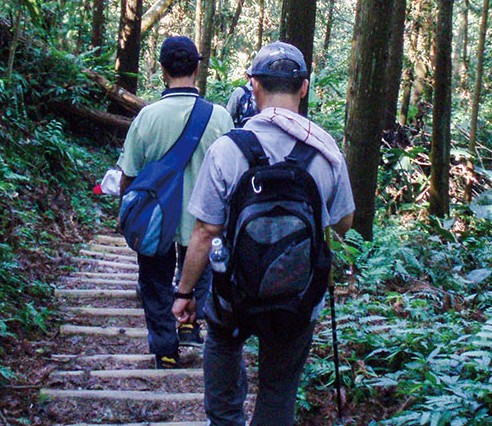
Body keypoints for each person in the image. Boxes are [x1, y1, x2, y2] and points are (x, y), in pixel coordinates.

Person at [171, 41, 355, 425]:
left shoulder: (227, 150)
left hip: (232, 293)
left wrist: (185, 293)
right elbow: (343, 223)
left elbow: (204, 232)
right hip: (298, 298)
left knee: (223, 347)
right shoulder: (325, 150)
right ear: (304, 88)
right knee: (278, 390)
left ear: (253, 86)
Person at [117, 35, 233, 369]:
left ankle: (166, 349)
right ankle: (189, 325)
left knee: (154, 282)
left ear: (163, 70)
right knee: (199, 275)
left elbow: (129, 174)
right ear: (197, 67)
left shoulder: (147, 118)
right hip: (205, 222)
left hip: (156, 219)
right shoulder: (220, 118)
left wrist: (127, 209)